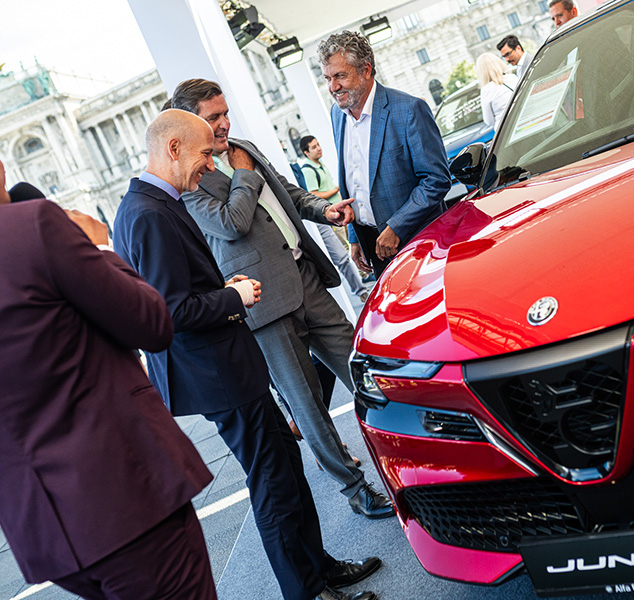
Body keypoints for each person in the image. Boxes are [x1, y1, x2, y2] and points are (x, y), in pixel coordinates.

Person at [112, 109, 380, 600]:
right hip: (219, 375)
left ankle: (319, 571)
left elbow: (181, 291)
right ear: (173, 148)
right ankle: (308, 591)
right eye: (203, 154)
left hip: (229, 367)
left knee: (286, 471)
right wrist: (233, 297)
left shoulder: (154, 204)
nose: (208, 164)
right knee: (274, 485)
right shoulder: (149, 214)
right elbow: (170, 312)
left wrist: (223, 287)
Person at [170, 79, 390, 520]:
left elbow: (285, 194)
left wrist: (320, 209)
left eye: (225, 113)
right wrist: (244, 173)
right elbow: (232, 222)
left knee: (364, 368)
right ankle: (355, 488)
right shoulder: (189, 178)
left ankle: (409, 457)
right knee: (307, 405)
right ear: (192, 123)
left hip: (305, 276)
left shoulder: (244, 147)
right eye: (213, 118)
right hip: (263, 303)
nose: (224, 123)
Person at [0, 156, 217, 599]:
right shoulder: (34, 226)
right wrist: (98, 248)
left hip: (43, 529)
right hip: (127, 497)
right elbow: (151, 324)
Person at [318, 31, 451, 278]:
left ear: (366, 70)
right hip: (372, 246)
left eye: (340, 76)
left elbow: (437, 180)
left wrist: (396, 227)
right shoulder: (338, 115)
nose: (332, 87)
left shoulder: (409, 109)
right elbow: (353, 183)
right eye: (327, 78)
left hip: (419, 242)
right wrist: (355, 236)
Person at [298, 134, 369, 303]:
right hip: (333, 216)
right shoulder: (308, 170)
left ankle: (363, 276)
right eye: (314, 147)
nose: (319, 148)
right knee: (346, 251)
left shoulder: (320, 165)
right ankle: (360, 286)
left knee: (355, 243)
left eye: (318, 145)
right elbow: (313, 195)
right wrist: (335, 190)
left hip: (342, 211)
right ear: (306, 153)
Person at [475, 53, 516, 132]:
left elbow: (489, 121)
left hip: (505, 132)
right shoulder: (513, 78)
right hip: (524, 122)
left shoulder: (486, 90)